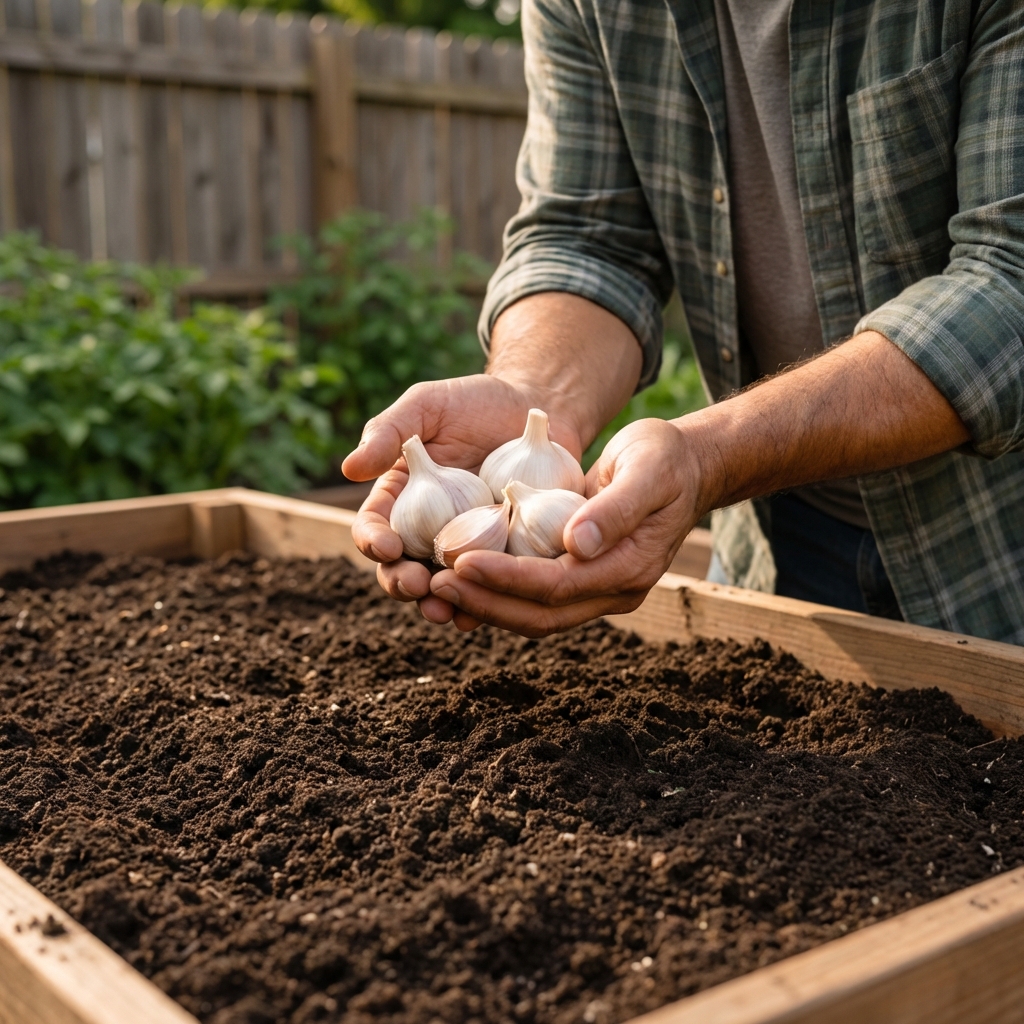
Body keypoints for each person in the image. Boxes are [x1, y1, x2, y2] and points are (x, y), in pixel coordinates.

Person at [342, 0, 1024, 646]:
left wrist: (709, 455)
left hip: (996, 554)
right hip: (774, 537)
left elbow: (1010, 280)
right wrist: (533, 398)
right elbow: (590, 238)